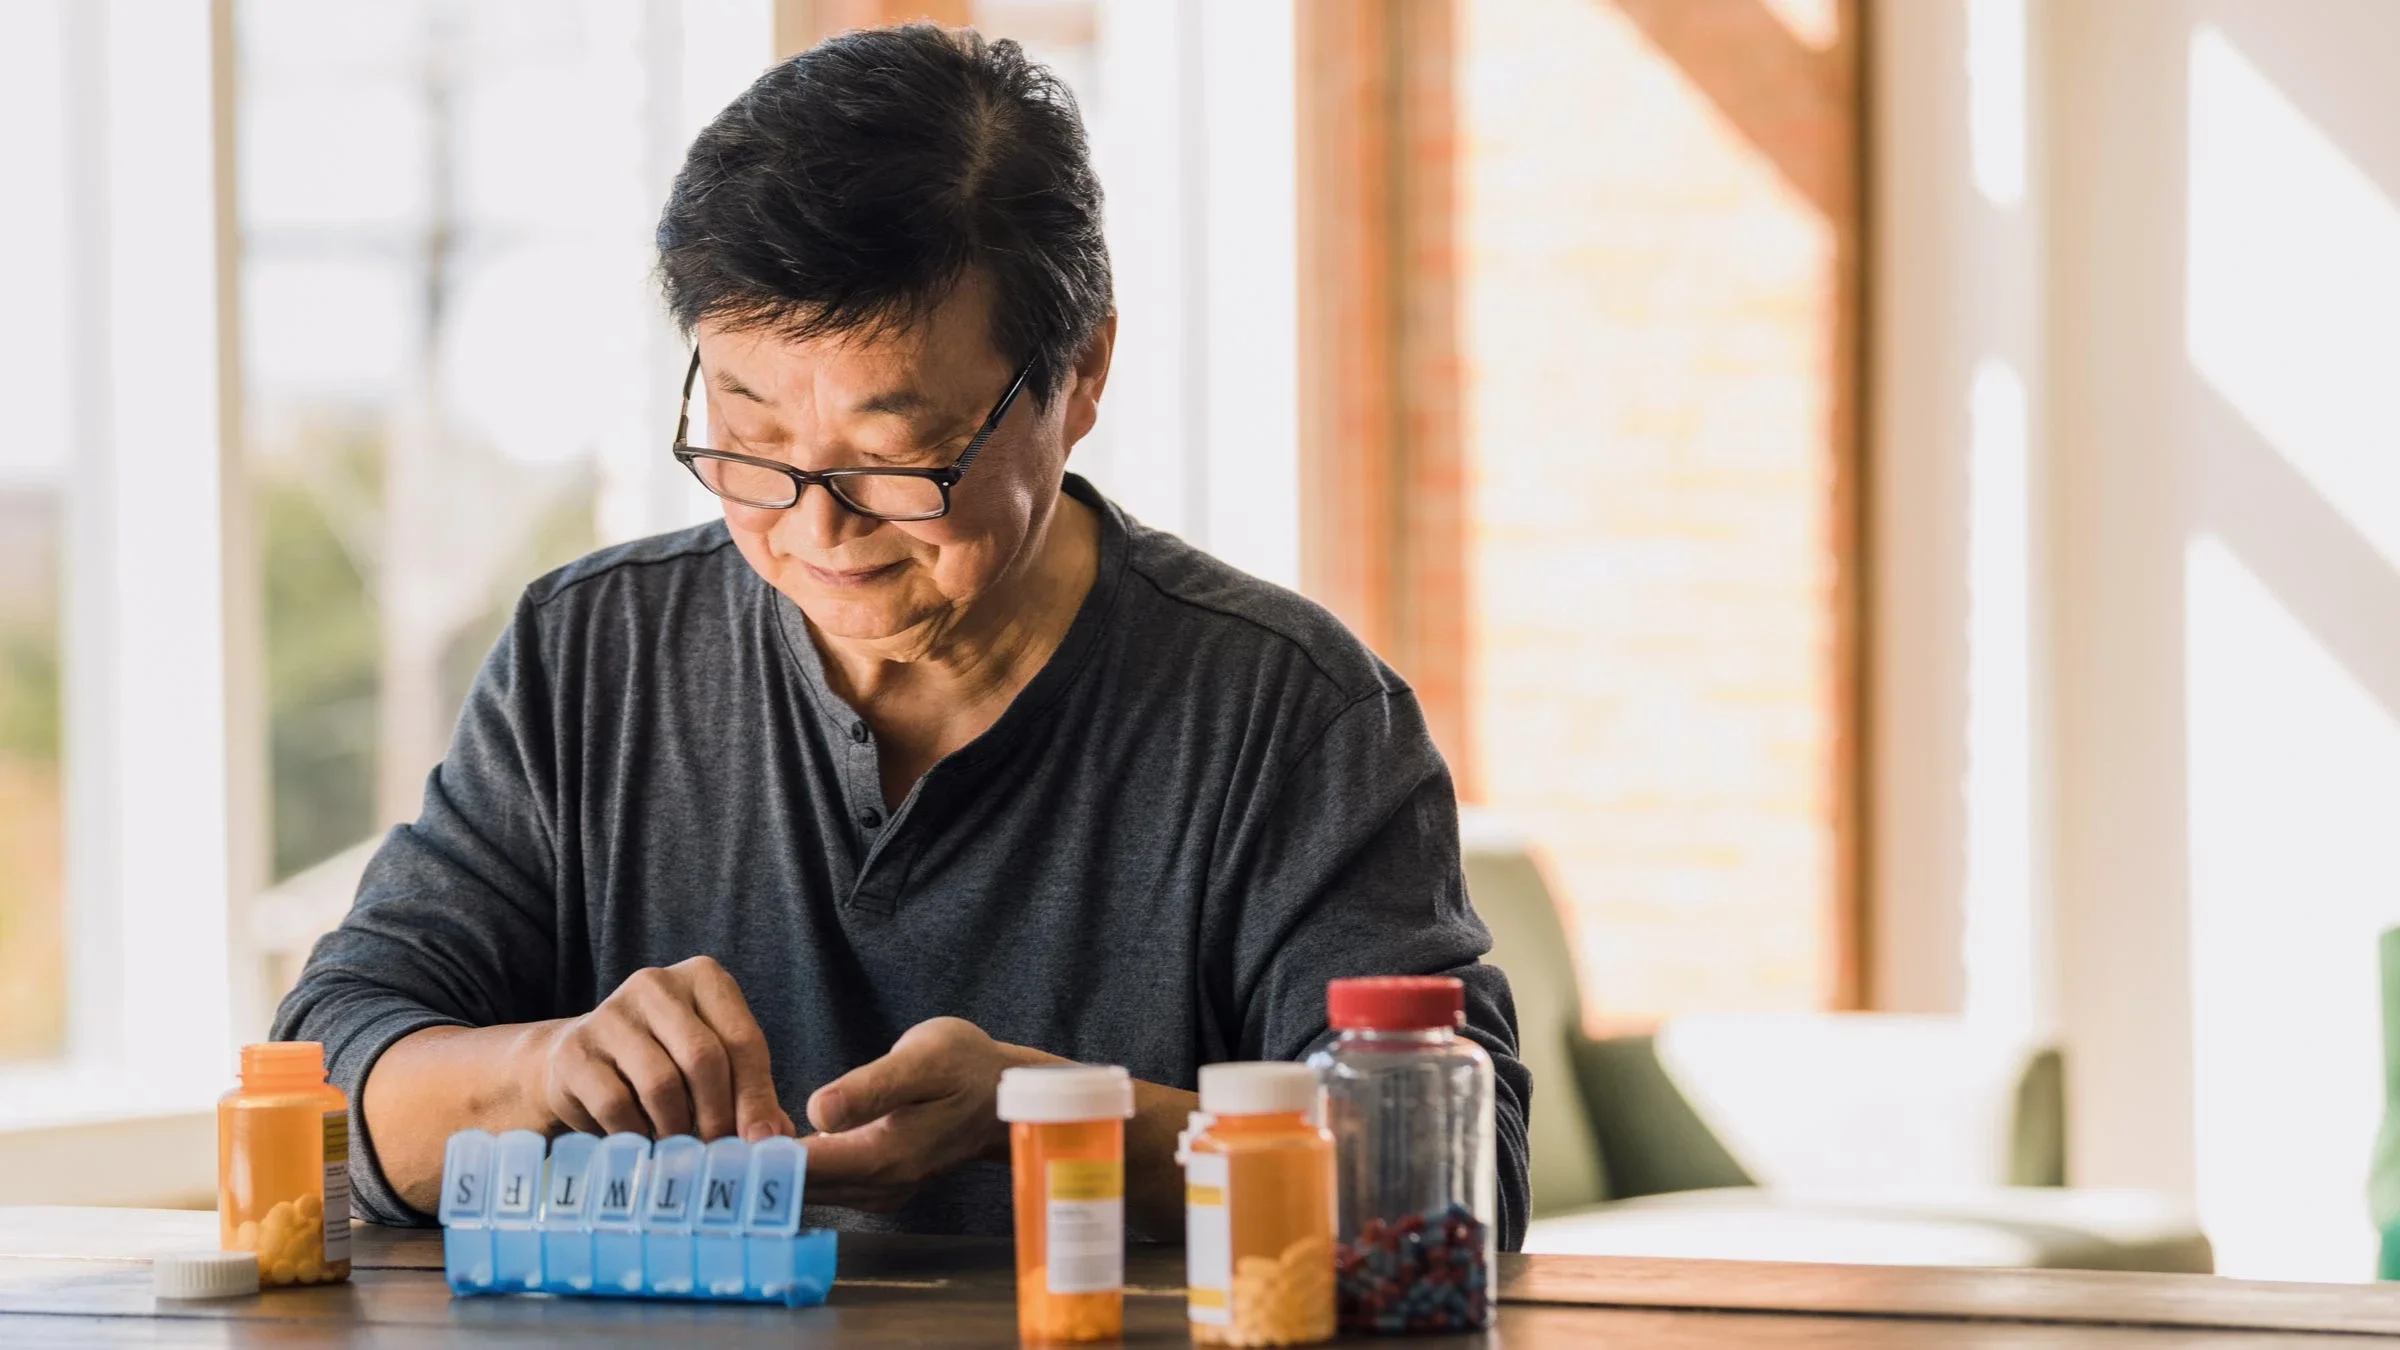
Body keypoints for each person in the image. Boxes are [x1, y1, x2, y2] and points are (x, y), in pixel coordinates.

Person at [273, 22, 1531, 1247]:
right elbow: (324, 1075)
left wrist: (1052, 1123)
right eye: (752, 440)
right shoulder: (592, 657)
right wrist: (548, 1066)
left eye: (896, 456)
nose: (815, 528)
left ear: (1081, 375)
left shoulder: (1289, 715)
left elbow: (1450, 1185)